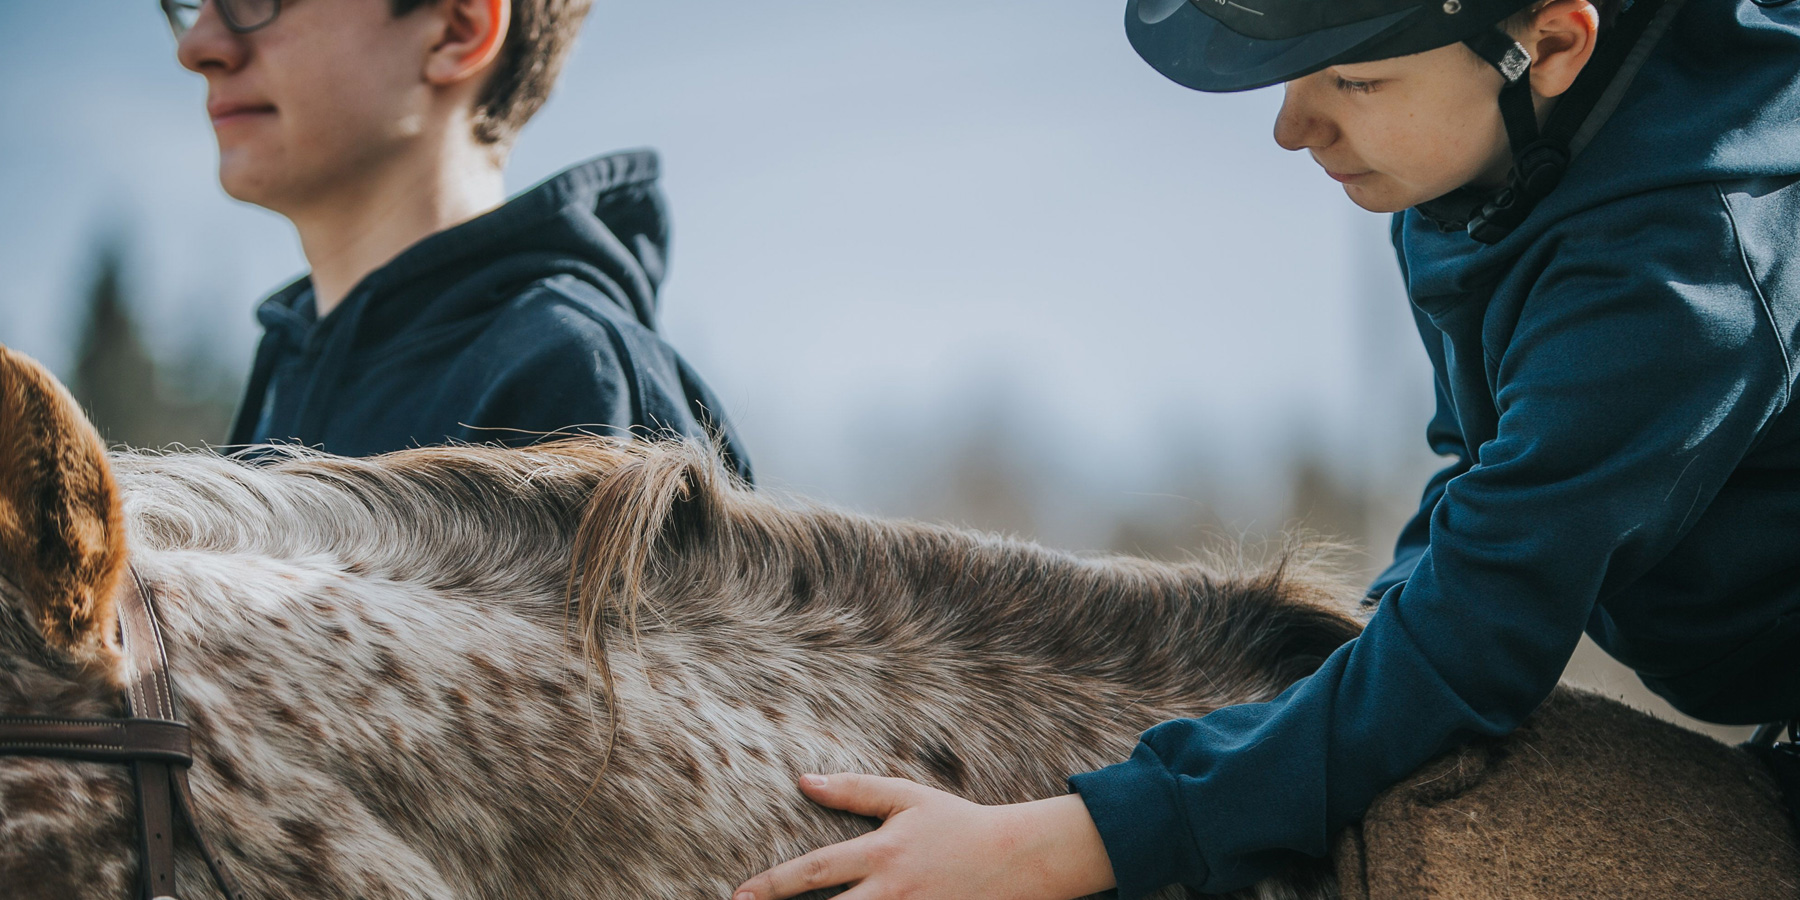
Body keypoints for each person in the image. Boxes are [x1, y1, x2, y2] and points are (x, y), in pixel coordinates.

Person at [733, 0, 1800, 896]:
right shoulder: (1473, 165)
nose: (1294, 128)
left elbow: (1484, 626)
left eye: (1354, 82)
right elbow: (1481, 477)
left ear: (1553, 46)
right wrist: (1346, 662)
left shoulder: (1680, 272)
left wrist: (1060, 844)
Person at [164, 0, 752, 478]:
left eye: (254, 1)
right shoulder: (281, 371)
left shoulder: (575, 376)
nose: (197, 48)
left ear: (456, 31)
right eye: (192, 4)